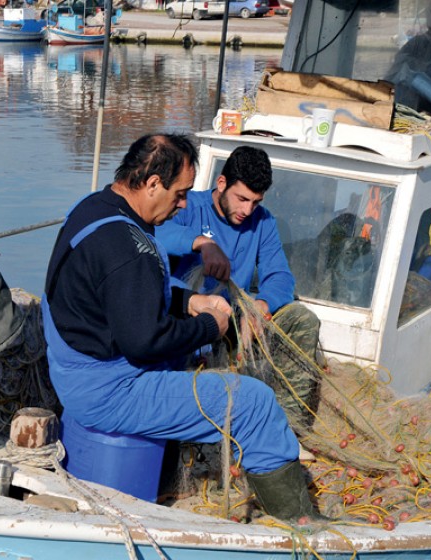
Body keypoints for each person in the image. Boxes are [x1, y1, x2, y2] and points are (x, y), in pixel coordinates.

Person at [42, 133, 318, 521]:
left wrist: (188, 301)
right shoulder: (129, 247)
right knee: (254, 403)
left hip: (74, 373)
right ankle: (299, 524)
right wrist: (209, 326)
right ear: (153, 183)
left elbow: (120, 295)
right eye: (180, 193)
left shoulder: (93, 209)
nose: (184, 203)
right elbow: (145, 342)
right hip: (109, 390)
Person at [156, 146, 324, 428]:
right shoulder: (187, 206)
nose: (247, 210)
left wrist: (261, 305)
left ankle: (287, 428)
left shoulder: (263, 222)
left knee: (302, 319)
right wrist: (202, 243)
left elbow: (280, 276)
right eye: (242, 199)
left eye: (255, 202)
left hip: (234, 323)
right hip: (189, 318)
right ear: (222, 183)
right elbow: (156, 233)